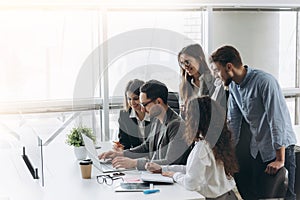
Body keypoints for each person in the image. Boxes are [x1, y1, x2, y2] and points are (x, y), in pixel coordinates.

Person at [209, 45, 297, 200]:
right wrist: (227, 153)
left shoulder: (264, 82)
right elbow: (233, 122)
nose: (216, 76)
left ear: (229, 66)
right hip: (259, 149)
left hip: (282, 149)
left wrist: (279, 159)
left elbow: (276, 121)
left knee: (286, 196)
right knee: (259, 194)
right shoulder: (234, 87)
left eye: (217, 70)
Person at [146, 96, 239, 200]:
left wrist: (174, 175)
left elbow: (191, 183)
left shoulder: (202, 147)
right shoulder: (216, 141)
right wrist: (163, 169)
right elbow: (193, 170)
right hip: (228, 196)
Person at [99, 80, 191, 170]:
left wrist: (135, 163)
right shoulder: (157, 119)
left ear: (158, 102)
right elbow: (147, 146)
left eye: (144, 105)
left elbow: (170, 162)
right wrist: (121, 154)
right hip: (155, 175)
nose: (142, 110)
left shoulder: (177, 126)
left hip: (171, 181)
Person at [178, 44, 216, 118]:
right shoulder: (184, 86)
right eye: (182, 63)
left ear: (200, 58)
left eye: (187, 62)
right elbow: (182, 117)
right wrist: (183, 113)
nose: (185, 67)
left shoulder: (213, 82)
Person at [116, 79, 153, 150]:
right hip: (135, 155)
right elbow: (124, 143)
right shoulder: (124, 115)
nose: (132, 103)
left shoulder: (154, 114)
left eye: (136, 98)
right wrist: (120, 149)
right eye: (129, 99)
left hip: (154, 156)